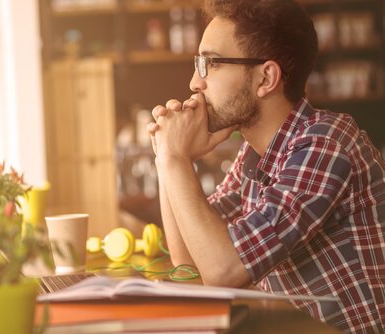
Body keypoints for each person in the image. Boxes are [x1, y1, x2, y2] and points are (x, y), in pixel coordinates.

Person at [147, 1, 385, 333]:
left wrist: (176, 159)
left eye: (209, 64)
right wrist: (166, 154)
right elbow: (188, 261)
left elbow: (222, 271)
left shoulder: (325, 143)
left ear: (266, 78)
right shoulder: (254, 155)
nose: (194, 83)